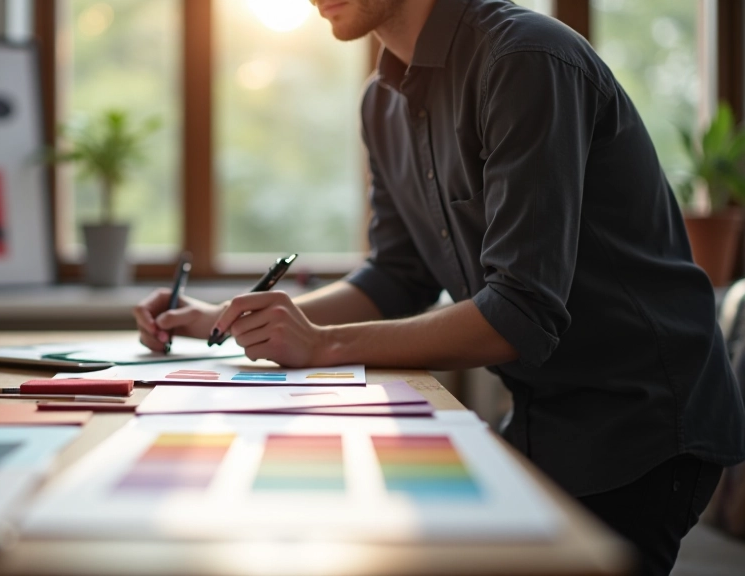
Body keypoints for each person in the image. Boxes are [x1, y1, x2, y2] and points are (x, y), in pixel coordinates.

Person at [133, 1, 745, 574]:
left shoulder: (524, 60)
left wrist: (322, 345)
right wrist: (225, 317)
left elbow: (519, 312)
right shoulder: (382, 102)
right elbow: (397, 276)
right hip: (545, 417)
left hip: (644, 425)